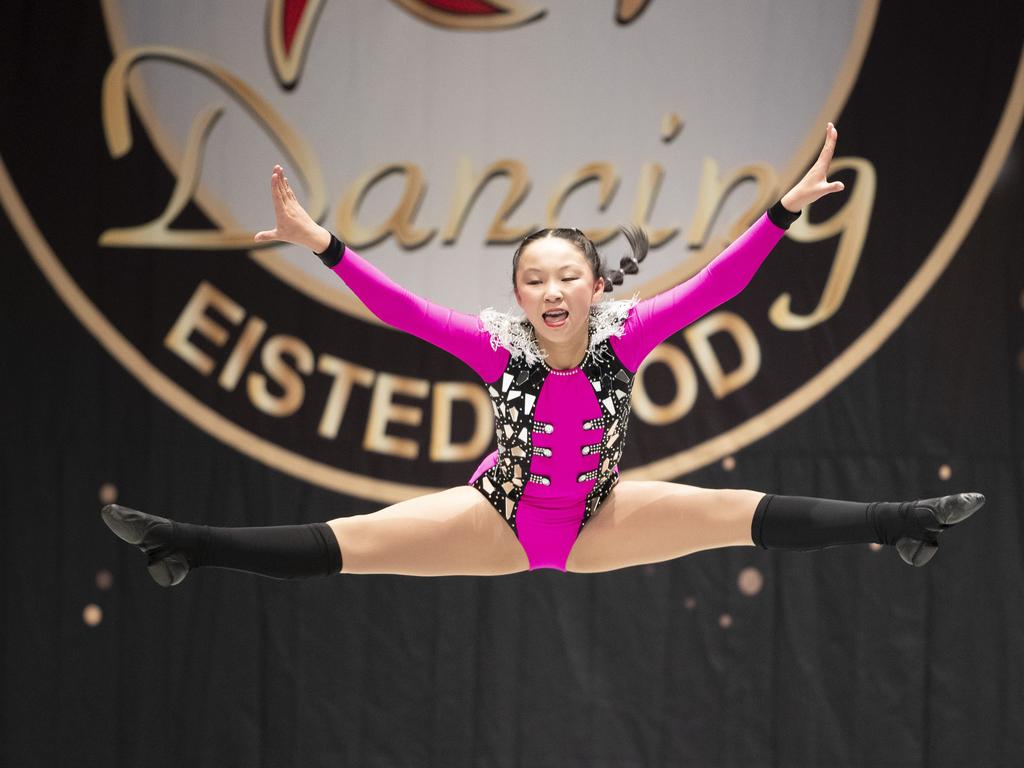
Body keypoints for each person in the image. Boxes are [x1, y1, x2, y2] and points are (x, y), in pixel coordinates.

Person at [101, 124, 984, 586]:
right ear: (519, 295)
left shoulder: (627, 333)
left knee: (735, 510)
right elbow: (401, 310)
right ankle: (186, 545)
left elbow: (717, 284)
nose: (554, 290)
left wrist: (782, 213)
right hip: (500, 514)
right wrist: (322, 243)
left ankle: (901, 524)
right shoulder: (496, 347)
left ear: (596, 288)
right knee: (351, 545)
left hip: (602, 518)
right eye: (536, 278)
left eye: (570, 275)